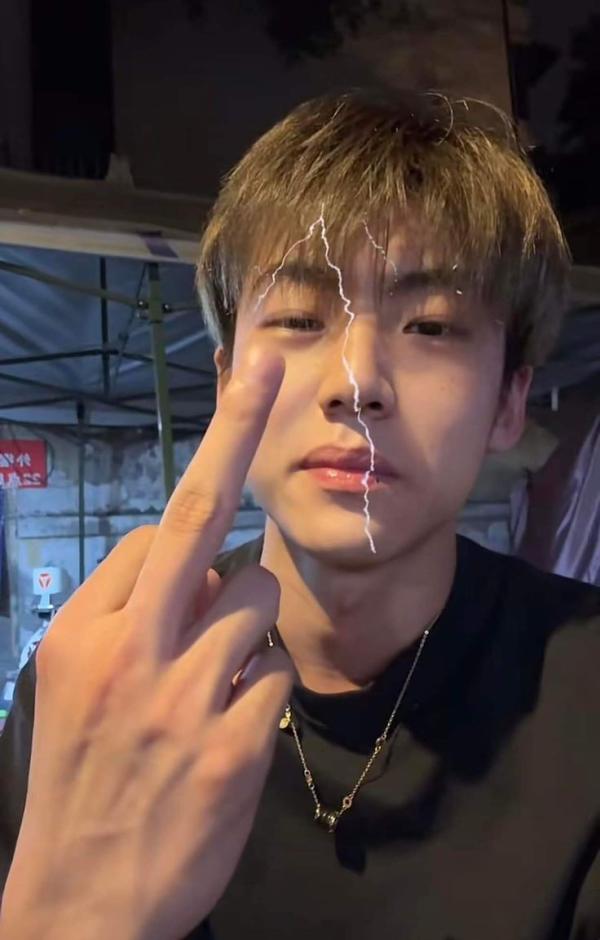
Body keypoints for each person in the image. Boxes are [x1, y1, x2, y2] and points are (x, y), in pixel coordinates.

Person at [1, 89, 599, 940]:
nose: (357, 381)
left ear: (509, 401)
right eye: (297, 317)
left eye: (431, 326)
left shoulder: (584, 690)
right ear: (225, 382)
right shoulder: (98, 680)